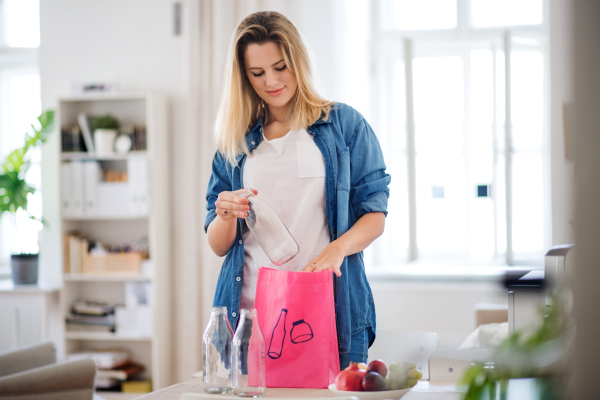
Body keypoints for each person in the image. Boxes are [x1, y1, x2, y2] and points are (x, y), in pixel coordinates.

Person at [205, 11, 391, 369]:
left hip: (329, 310)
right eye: (257, 73)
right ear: (244, 77)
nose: (271, 81)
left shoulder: (344, 126)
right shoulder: (236, 142)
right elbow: (218, 244)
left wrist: (338, 249)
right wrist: (226, 213)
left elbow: (375, 216)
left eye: (280, 67)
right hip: (251, 316)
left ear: (298, 62)